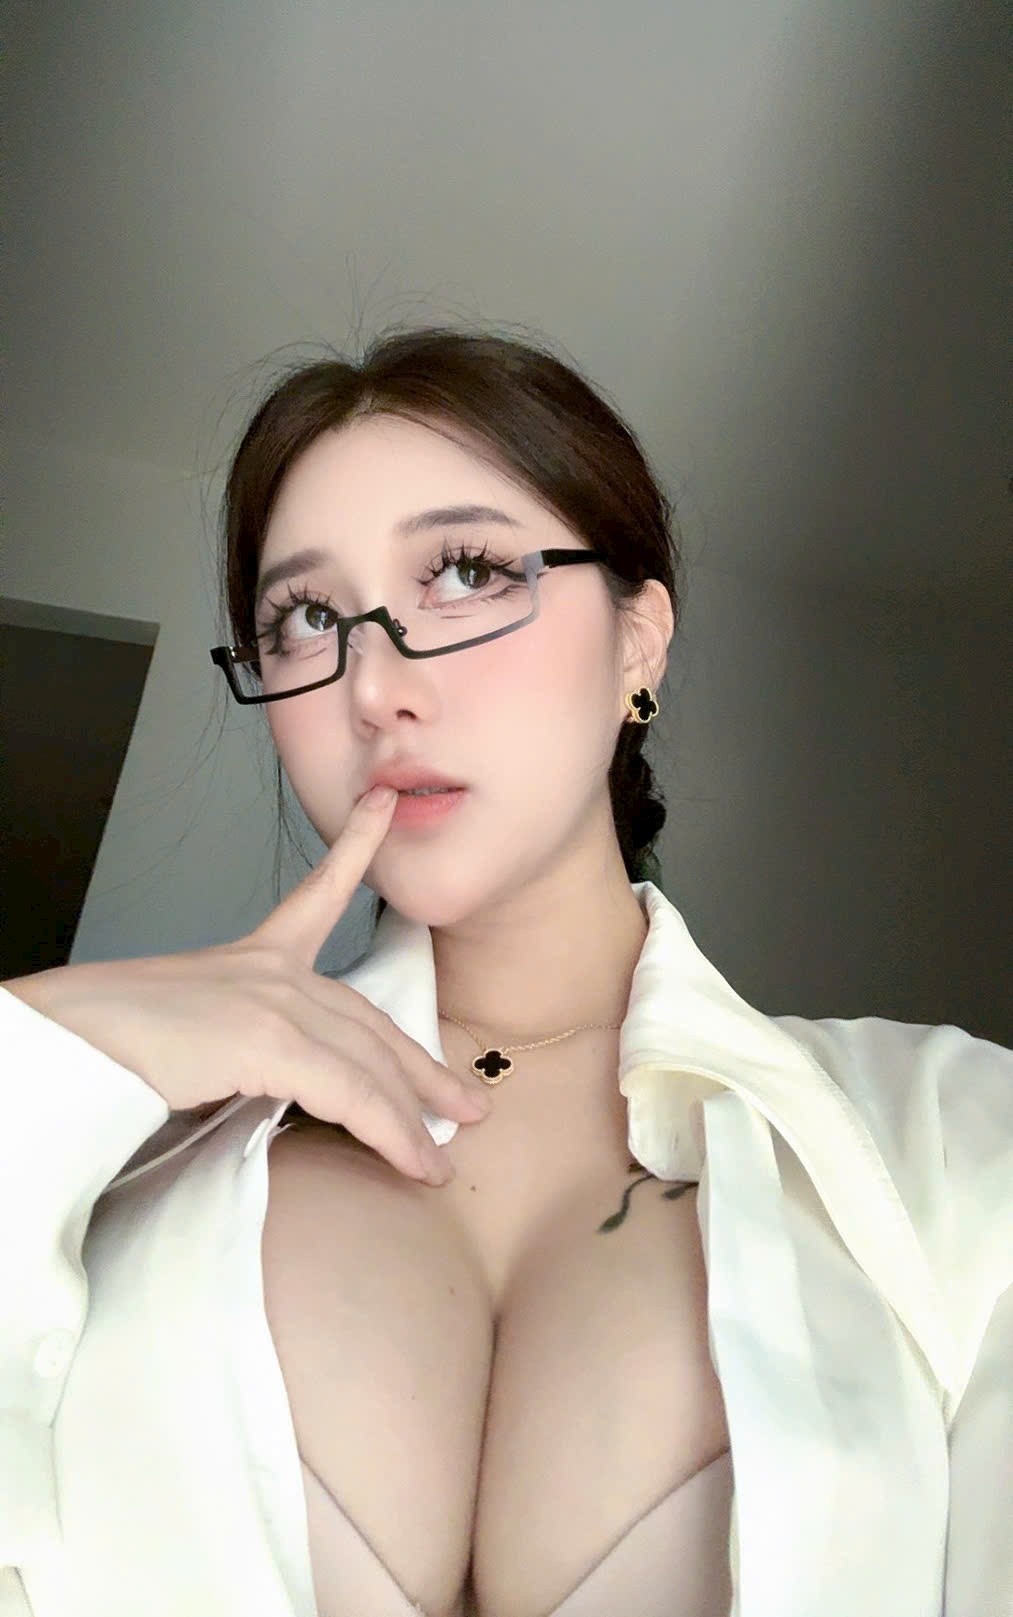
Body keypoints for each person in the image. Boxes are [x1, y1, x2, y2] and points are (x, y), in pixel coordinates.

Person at [1, 327, 1010, 1617]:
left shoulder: (953, 1140)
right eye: (307, 617)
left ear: (639, 642)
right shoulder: (110, 1159)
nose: (374, 686)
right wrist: (53, 1032)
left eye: (467, 572)